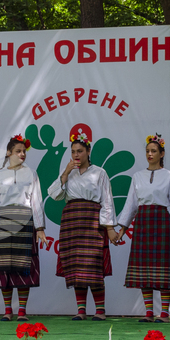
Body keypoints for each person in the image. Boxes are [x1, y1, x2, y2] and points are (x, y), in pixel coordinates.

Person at [115, 134, 170, 323]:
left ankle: (164, 313)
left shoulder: (169, 176)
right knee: (143, 268)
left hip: (162, 222)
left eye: (154, 151)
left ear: (162, 153)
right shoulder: (137, 176)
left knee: (164, 266)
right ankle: (148, 312)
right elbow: (131, 203)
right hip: (143, 223)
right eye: (147, 151)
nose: (150, 154)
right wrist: (122, 228)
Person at [48, 127, 118, 321]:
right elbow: (54, 195)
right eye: (73, 152)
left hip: (92, 222)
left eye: (80, 151)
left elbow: (107, 201)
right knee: (76, 265)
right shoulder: (68, 173)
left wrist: (109, 228)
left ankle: (100, 310)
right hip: (72, 222)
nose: (76, 155)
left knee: (93, 264)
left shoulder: (100, 173)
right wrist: (65, 172)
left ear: (88, 151)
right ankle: (81, 310)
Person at [0, 135, 48, 321]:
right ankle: (8, 310)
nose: (22, 154)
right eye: (18, 151)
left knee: (23, 265)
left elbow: (36, 201)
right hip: (3, 222)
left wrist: (40, 227)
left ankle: (22, 311)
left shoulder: (31, 173)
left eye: (24, 151)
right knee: (4, 266)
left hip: (25, 221)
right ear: (9, 153)